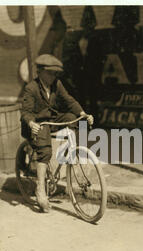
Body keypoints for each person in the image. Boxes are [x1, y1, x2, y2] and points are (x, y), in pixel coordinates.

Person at [20, 54, 93, 213]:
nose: (53, 76)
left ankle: (71, 151)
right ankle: (40, 188)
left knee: (71, 117)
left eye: (55, 73)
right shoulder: (31, 88)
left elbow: (69, 100)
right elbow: (26, 112)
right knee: (45, 151)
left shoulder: (57, 84)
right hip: (38, 123)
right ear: (40, 72)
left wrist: (83, 113)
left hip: (50, 119)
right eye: (50, 73)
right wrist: (31, 123)